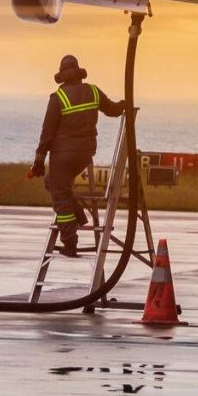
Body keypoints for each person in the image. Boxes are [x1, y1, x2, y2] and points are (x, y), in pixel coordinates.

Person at [30, 54, 129, 255]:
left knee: (60, 194)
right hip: (85, 154)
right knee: (52, 182)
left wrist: (39, 160)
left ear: (62, 77)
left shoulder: (58, 98)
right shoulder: (93, 91)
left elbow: (47, 133)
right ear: (79, 73)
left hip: (62, 156)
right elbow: (112, 110)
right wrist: (125, 104)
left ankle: (70, 242)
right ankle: (79, 214)